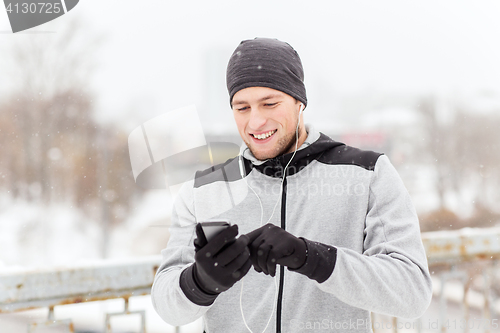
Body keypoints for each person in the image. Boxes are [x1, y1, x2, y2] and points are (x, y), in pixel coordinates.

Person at [151, 37, 432, 333]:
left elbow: (412, 293)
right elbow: (166, 304)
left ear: (300, 102)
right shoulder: (202, 190)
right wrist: (200, 283)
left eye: (269, 103)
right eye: (242, 107)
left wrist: (310, 257)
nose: (255, 122)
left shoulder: (367, 174)